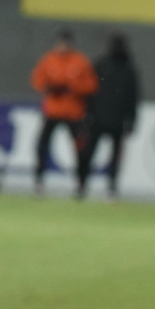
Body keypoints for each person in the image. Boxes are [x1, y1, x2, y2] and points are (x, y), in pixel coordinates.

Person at [30, 29, 98, 196]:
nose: (62, 47)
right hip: (52, 111)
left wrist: (72, 88)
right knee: (42, 146)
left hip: (73, 113)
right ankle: (39, 181)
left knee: (80, 149)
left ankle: (81, 183)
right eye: (60, 44)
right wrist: (49, 87)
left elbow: (91, 85)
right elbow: (37, 80)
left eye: (65, 44)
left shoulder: (80, 61)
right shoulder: (49, 59)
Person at [77, 33, 140, 200]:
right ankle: (83, 184)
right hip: (100, 118)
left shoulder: (126, 69)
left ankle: (110, 186)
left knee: (113, 155)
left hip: (114, 119)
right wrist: (87, 113)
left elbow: (132, 97)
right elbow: (89, 91)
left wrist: (131, 119)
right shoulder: (103, 65)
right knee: (89, 153)